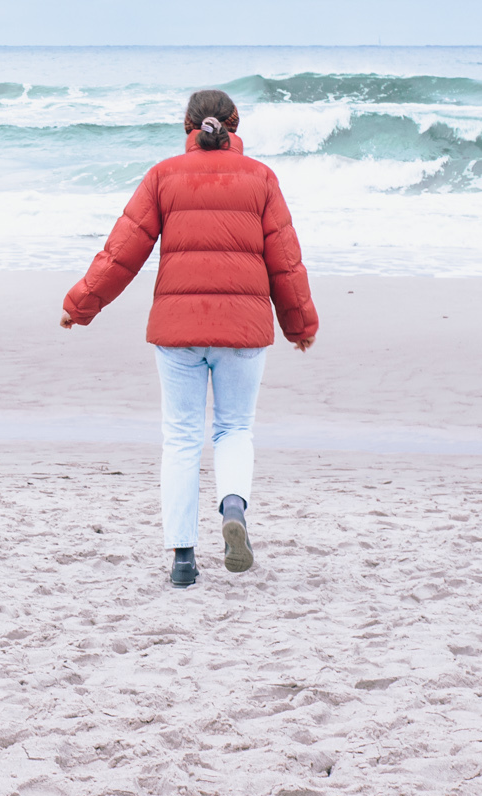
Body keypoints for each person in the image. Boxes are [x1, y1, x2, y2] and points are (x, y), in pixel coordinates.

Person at [60, 88, 318, 587]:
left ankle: (182, 560)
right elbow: (285, 262)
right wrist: (299, 326)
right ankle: (234, 509)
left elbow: (122, 253)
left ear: (188, 127)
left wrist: (81, 305)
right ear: (234, 127)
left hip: (178, 330)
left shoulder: (163, 176)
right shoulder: (262, 179)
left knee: (180, 438)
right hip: (243, 328)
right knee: (234, 429)